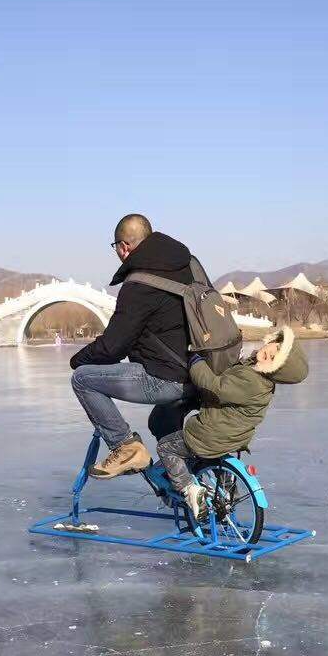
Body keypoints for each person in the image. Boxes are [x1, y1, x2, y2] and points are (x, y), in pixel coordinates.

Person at [70, 214, 199, 478]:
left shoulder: (139, 283)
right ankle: (188, 487)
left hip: (166, 377)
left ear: (124, 246)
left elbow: (113, 347)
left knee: (83, 379)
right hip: (199, 373)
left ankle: (125, 447)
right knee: (160, 422)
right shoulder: (188, 267)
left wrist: (78, 359)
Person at [156, 326, 308, 519]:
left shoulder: (251, 379)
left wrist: (196, 360)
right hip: (232, 438)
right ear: (273, 340)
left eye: (273, 359)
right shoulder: (261, 379)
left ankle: (189, 491)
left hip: (210, 436)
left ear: (275, 371)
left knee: (166, 448)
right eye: (275, 347)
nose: (269, 352)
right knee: (208, 453)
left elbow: (214, 386)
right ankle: (227, 495)